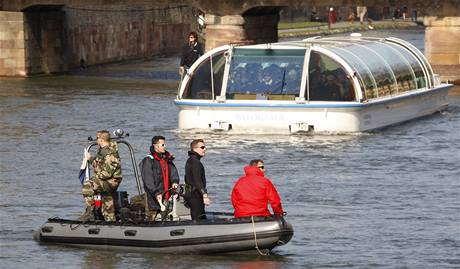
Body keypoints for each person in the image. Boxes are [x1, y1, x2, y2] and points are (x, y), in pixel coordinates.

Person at [79, 130, 123, 221]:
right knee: (107, 198)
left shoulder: (110, 154)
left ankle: (89, 212)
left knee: (88, 186)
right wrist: (90, 158)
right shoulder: (103, 151)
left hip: (111, 181)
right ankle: (110, 219)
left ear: (101, 140)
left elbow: (107, 174)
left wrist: (95, 178)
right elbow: (99, 165)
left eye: (97, 138)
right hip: (106, 181)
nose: (96, 140)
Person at [139, 136, 180, 220]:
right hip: (154, 198)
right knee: (152, 218)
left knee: (167, 217)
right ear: (156, 146)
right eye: (163, 145)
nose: (165, 146)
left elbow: (173, 173)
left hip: (167, 196)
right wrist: (156, 193)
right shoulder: (148, 160)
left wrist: (174, 182)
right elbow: (148, 180)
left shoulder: (167, 159)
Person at [185, 139, 210, 220]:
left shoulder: (190, 160)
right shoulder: (195, 162)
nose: (204, 149)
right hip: (195, 196)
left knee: (200, 217)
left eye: (205, 147)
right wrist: (205, 195)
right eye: (202, 147)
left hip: (192, 195)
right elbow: (197, 180)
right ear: (195, 149)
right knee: (198, 218)